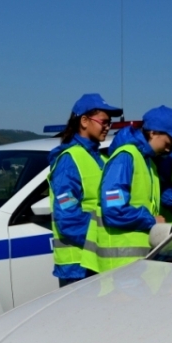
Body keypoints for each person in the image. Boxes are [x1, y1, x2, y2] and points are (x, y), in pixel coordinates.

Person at [81, 105, 172, 273]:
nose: (171, 147)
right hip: (117, 265)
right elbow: (114, 209)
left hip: (133, 265)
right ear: (153, 132)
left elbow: (150, 196)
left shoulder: (147, 160)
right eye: (169, 140)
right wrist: (152, 221)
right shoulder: (126, 157)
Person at [48, 93, 122, 286]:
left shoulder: (102, 159)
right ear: (84, 121)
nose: (108, 126)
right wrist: (103, 241)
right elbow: (67, 219)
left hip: (97, 261)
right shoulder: (69, 161)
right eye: (103, 121)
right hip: (78, 267)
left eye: (110, 122)